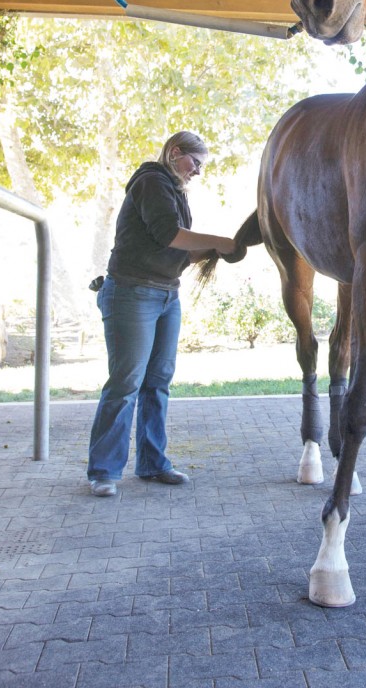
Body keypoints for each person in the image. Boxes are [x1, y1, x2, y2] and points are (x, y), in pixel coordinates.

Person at [87, 131, 234, 497]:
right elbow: (171, 234)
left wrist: (222, 249)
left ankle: (152, 464)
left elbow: (180, 251)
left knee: (158, 382)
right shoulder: (152, 181)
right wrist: (217, 240)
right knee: (126, 384)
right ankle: (103, 472)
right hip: (132, 293)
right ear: (175, 152)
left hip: (167, 295)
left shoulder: (174, 193)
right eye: (195, 162)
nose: (197, 171)